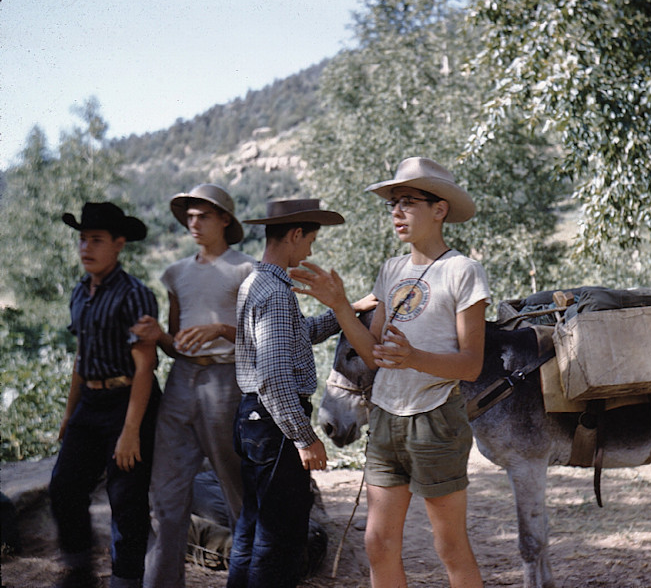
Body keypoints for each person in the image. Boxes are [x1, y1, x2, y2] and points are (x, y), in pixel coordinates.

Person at [292, 156, 490, 588]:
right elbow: (374, 354)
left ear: (440, 210)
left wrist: (415, 357)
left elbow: (472, 364)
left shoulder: (463, 271)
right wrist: (341, 306)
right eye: (393, 203)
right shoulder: (391, 270)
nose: (397, 212)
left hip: (436, 419)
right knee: (378, 544)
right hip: (384, 418)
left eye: (408, 202)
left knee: (449, 546)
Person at [227, 198, 374, 588]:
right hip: (276, 425)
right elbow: (275, 377)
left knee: (252, 528)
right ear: (294, 235)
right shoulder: (275, 293)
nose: (310, 250)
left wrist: (349, 308)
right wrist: (304, 437)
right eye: (310, 240)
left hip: (253, 419)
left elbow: (299, 337)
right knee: (279, 539)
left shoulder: (256, 283)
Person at [134, 184, 255, 587]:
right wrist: (158, 336)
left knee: (238, 490)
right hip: (181, 383)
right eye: (188, 216)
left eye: (202, 215)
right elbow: (174, 342)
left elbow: (264, 340)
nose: (193, 223)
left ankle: (247, 578)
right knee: (166, 497)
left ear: (225, 220)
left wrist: (220, 329)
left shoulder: (247, 270)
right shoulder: (176, 273)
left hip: (228, 383)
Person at [50, 202, 160, 588]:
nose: (86, 248)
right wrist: (70, 413)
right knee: (64, 485)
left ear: (118, 244)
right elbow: (83, 355)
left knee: (126, 499)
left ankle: (125, 580)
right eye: (82, 240)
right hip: (90, 403)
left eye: (96, 240)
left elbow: (145, 367)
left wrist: (130, 432)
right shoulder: (81, 292)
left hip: (129, 400)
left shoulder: (134, 295)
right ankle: (78, 569)